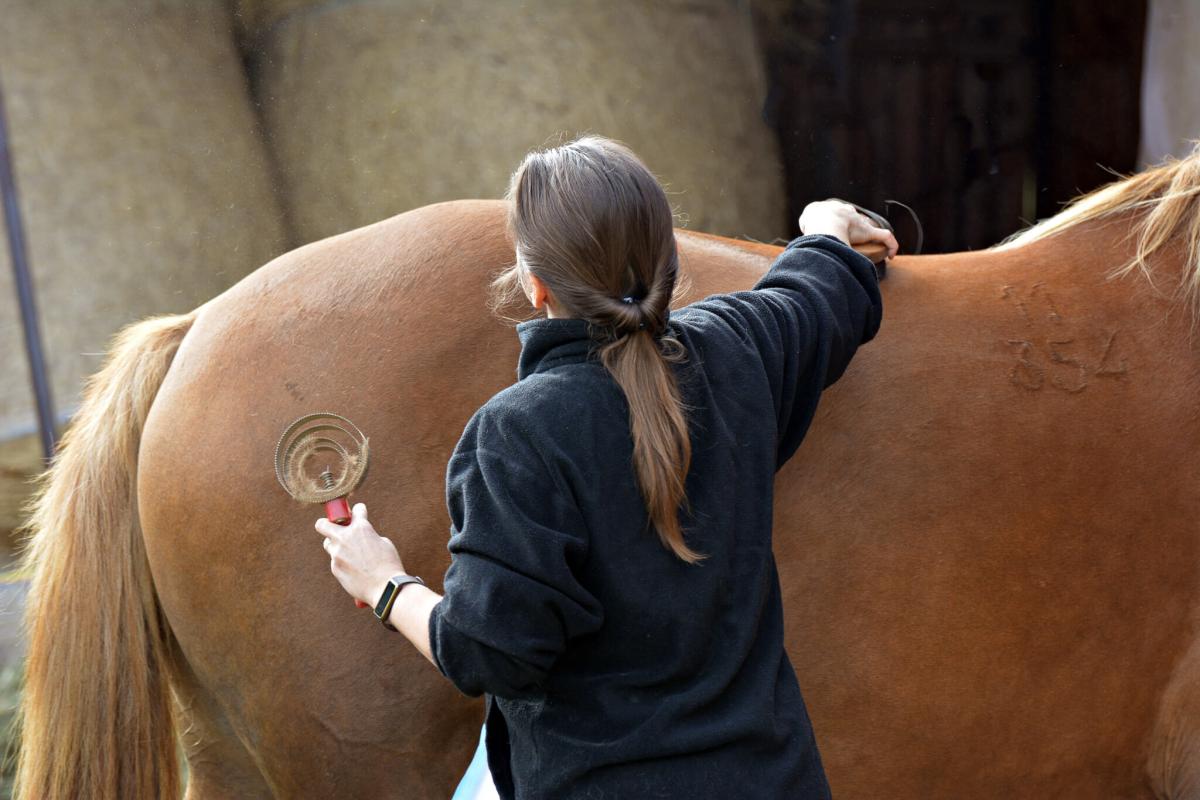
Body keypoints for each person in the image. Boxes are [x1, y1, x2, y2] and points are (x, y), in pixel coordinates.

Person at [313, 134, 896, 799]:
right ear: (668, 262)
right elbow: (819, 295)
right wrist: (826, 226)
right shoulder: (740, 349)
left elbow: (490, 652)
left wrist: (385, 584)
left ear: (535, 287)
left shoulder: (516, 433)